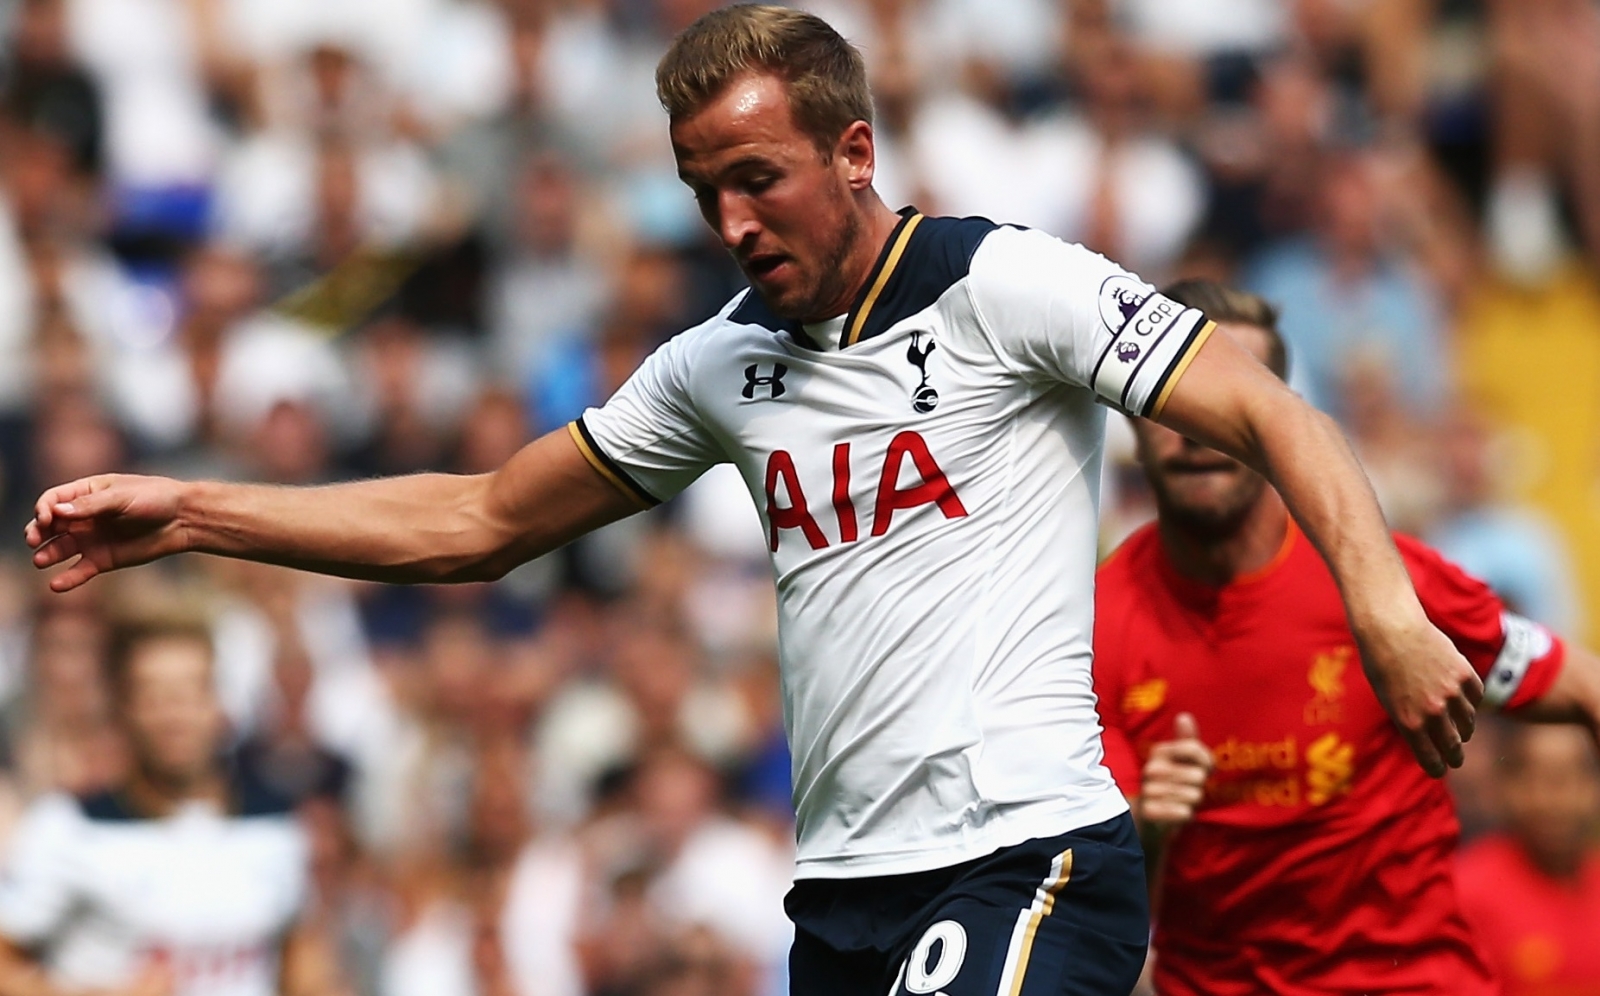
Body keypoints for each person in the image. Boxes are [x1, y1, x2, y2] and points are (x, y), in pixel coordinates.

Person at [26, 7, 1481, 995]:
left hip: (1022, 854)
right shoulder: (721, 365)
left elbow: (1268, 406)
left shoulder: (1002, 285)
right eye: (701, 188)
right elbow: (477, 520)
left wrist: (1390, 617)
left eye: (757, 179)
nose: (729, 223)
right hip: (843, 894)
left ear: (854, 152)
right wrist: (203, 510)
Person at [1093, 278, 1600, 996]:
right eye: (1175, 402)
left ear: (1273, 426)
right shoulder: (1095, 624)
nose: (1201, 431)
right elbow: (1085, 905)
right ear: (1132, 419)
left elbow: (1584, 685)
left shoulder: (1386, 583)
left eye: (1231, 403)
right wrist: (1144, 833)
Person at [0, 615, 343, 996]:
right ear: (124, 710)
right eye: (153, 696)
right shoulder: (69, 827)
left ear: (219, 704)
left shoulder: (275, 822)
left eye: (190, 692)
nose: (174, 716)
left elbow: (303, 959)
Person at [1457, 724, 1600, 996]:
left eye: (1571, 778)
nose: (1555, 801)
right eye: (1535, 778)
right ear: (1504, 786)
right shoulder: (1469, 891)